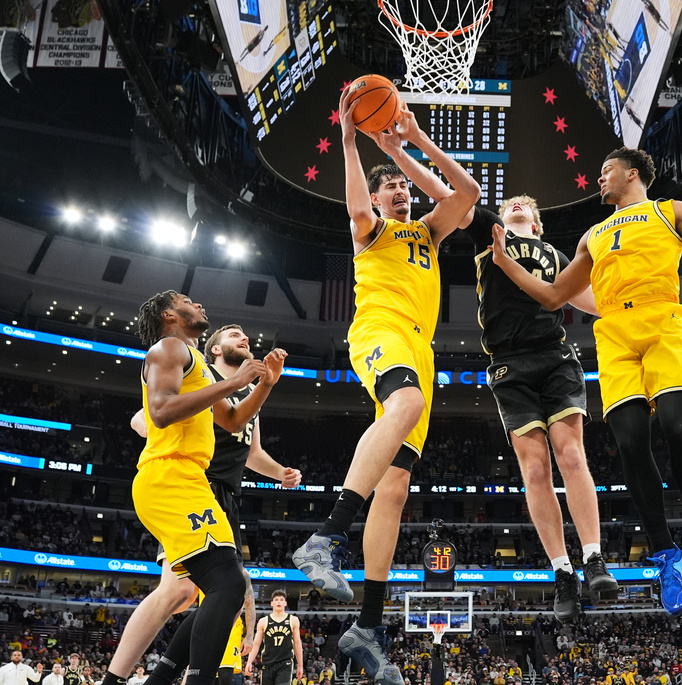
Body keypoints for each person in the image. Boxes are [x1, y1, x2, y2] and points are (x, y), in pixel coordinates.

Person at [490, 148, 682, 613]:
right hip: (614, 334)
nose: (599, 178)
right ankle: (666, 555)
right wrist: (507, 264)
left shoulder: (672, 211)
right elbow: (552, 297)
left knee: (679, 425)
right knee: (629, 442)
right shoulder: (592, 235)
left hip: (662, 319)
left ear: (631, 174)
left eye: (605, 170)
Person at [291, 92, 479, 685]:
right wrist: (351, 143)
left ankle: (367, 625)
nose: (399, 190)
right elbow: (352, 209)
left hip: (420, 350)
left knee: (395, 491)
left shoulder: (428, 230)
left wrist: (413, 143)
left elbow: (467, 196)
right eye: (388, 186)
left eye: (402, 185)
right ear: (375, 198)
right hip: (380, 331)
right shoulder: (370, 230)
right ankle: (325, 538)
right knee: (407, 403)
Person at [395, 170, 619, 619]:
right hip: (508, 363)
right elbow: (448, 195)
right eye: (511, 202)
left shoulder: (558, 256)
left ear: (537, 224)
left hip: (555, 356)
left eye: (525, 206)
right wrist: (402, 148)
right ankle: (562, 571)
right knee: (535, 472)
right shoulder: (490, 231)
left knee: (572, 456)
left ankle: (594, 558)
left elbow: (601, 302)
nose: (516, 205)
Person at [104, 324, 302, 685]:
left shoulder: (244, 396)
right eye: (234, 335)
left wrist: (280, 473)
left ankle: (160, 677)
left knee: (224, 595)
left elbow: (251, 452)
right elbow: (143, 416)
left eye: (246, 334)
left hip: (226, 495)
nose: (244, 338)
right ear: (214, 349)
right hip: (192, 486)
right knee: (180, 590)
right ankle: (120, 677)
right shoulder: (200, 375)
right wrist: (156, 428)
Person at [245, 591, 303, 685]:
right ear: (272, 603)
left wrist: (300, 665)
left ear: (285, 603)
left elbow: (297, 643)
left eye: (281, 600)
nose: (279, 602)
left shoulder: (293, 620)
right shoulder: (263, 621)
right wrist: (249, 662)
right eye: (276, 600)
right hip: (268, 663)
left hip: (285, 663)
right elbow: (256, 644)